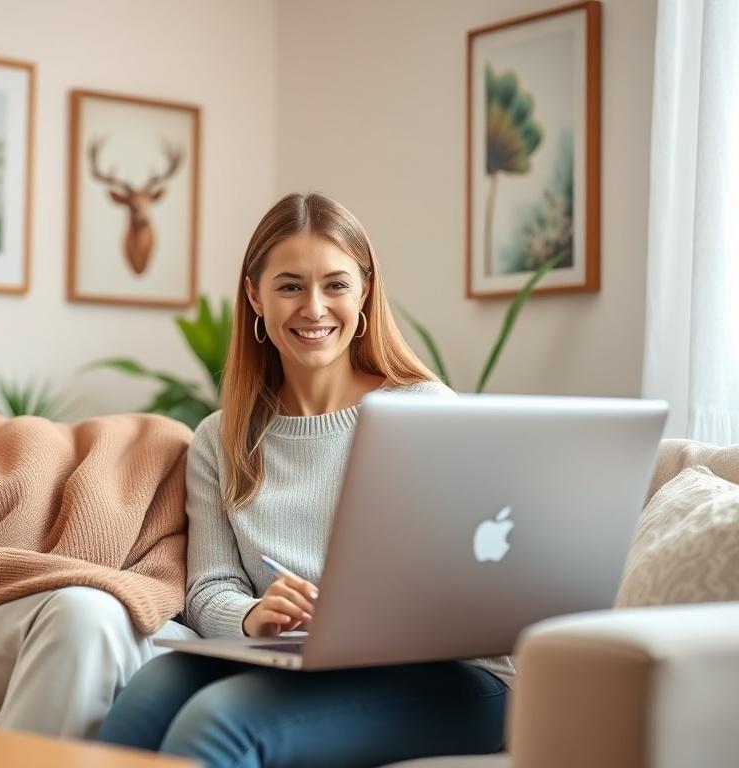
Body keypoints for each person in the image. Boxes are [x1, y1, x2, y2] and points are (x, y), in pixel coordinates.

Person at [96, 192, 514, 767]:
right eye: (290, 285)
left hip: (452, 675)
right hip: (298, 658)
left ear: (365, 290)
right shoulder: (222, 437)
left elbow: (482, 574)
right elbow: (209, 587)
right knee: (148, 696)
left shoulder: (425, 409)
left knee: (220, 725)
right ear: (254, 295)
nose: (314, 308)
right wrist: (251, 616)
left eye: (336, 285)